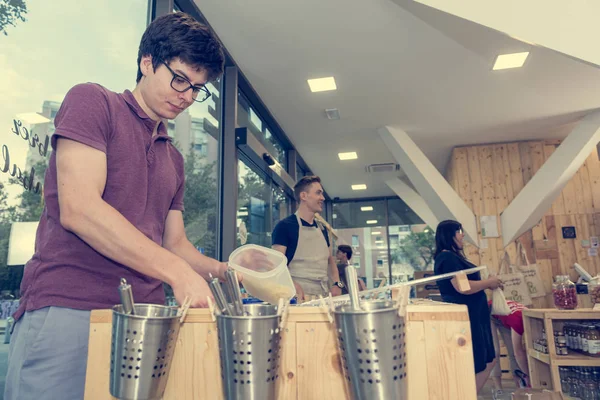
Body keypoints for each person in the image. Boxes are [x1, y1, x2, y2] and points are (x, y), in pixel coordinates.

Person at [5, 12, 229, 400]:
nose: (187, 96)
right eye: (180, 79)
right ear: (146, 62)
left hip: (145, 322)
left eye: (198, 89)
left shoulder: (174, 159)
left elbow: (175, 243)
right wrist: (176, 273)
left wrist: (226, 271)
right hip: (71, 308)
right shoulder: (93, 102)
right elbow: (80, 208)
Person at [433, 220, 503, 394]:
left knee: (487, 359)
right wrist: (488, 283)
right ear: (449, 234)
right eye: (459, 231)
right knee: (480, 360)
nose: (462, 234)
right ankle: (466, 395)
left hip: (475, 314)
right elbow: (462, 287)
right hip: (467, 315)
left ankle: (467, 394)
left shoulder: (452, 256)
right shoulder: (447, 257)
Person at [272, 176, 342, 300]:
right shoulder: (284, 226)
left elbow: (330, 261)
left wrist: (337, 283)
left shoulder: (323, 230)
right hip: (296, 297)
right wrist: (291, 285)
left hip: (323, 297)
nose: (323, 198)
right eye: (318, 193)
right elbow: (276, 265)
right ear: (303, 196)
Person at [489, 300, 530, 398]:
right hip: (488, 313)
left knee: (512, 351)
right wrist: (528, 375)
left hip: (504, 314)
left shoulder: (531, 317)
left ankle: (519, 388)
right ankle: (498, 389)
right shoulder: (518, 322)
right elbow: (519, 353)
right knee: (495, 351)